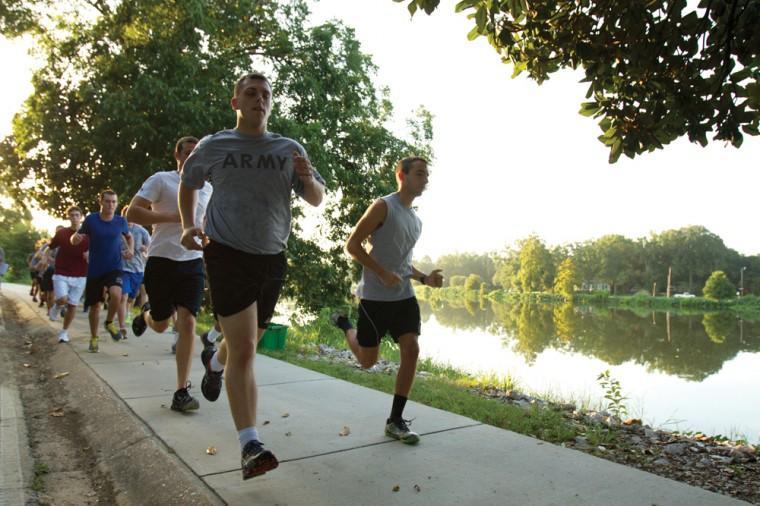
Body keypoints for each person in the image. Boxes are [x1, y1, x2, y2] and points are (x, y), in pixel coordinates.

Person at [178, 72, 325, 480]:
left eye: (266, 94)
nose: (260, 99)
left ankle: (213, 360)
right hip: (226, 253)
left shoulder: (288, 148)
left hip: (272, 259)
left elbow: (316, 199)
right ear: (236, 102)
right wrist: (190, 224)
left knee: (242, 344)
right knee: (245, 349)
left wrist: (308, 175)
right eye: (251, 93)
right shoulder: (215, 145)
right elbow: (189, 182)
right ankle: (250, 445)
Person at [331, 156, 443, 445]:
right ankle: (344, 324)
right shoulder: (383, 206)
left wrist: (424, 279)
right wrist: (380, 273)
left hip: (404, 296)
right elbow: (352, 245)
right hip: (374, 298)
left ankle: (395, 420)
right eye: (420, 174)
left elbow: (404, 263)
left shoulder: (416, 220)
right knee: (368, 362)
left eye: (427, 175)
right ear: (401, 175)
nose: (426, 179)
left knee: (412, 348)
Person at [127, 136, 212, 412]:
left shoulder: (209, 188)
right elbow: (133, 212)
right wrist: (175, 218)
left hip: (192, 263)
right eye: (187, 153)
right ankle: (147, 314)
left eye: (196, 153)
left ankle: (181, 391)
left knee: (187, 323)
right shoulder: (161, 180)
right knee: (162, 324)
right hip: (161, 259)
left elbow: (208, 222)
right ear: (177, 155)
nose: (191, 158)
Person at [71, 190, 133, 352]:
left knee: (117, 294)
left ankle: (109, 322)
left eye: (114, 202)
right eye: (107, 201)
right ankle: (93, 337)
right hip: (95, 270)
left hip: (114, 267)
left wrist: (130, 250)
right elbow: (76, 237)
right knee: (95, 307)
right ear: (101, 202)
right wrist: (74, 239)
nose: (111, 205)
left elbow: (128, 236)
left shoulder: (120, 221)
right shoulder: (92, 220)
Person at [48, 206, 89, 343]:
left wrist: (90, 254)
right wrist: (47, 259)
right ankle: (57, 305)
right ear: (68, 217)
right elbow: (50, 247)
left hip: (80, 274)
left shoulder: (88, 235)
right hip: (62, 271)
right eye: (72, 215)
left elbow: (96, 251)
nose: (75, 218)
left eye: (77, 215)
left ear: (81, 217)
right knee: (63, 299)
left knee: (72, 305)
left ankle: (64, 332)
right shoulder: (62, 233)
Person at [117, 205, 150, 339]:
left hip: (138, 268)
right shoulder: (118, 230)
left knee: (132, 297)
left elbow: (151, 244)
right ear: (123, 216)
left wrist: (145, 247)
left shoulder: (141, 231)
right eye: (127, 215)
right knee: (123, 297)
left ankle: (128, 312)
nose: (129, 218)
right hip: (122, 268)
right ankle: (122, 327)